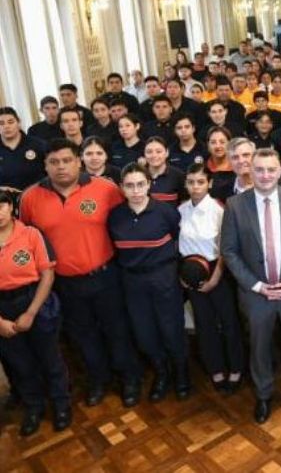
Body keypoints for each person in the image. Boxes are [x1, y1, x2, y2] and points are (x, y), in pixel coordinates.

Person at [19, 139, 143, 408]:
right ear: (45, 165)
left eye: (66, 160)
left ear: (79, 161)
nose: (61, 167)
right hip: (64, 283)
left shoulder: (105, 189)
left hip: (106, 275)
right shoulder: (30, 199)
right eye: (54, 162)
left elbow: (128, 221)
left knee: (117, 329)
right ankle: (98, 379)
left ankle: (129, 377)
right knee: (82, 334)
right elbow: (27, 241)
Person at [221, 148, 281, 423]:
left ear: (280, 171)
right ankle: (264, 394)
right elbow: (229, 251)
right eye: (259, 169)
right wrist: (255, 285)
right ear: (250, 172)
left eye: (271, 169)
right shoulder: (234, 205)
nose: (265, 175)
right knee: (259, 346)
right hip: (256, 295)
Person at [108, 163, 190, 402]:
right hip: (132, 281)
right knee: (145, 332)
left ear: (149, 184)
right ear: (122, 188)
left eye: (140, 184)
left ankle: (182, 374)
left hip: (163, 277)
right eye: (130, 186)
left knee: (171, 328)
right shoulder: (115, 216)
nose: (136, 190)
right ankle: (162, 373)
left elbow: (177, 238)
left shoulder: (165, 212)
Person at [0, 190, 71, 436]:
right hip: (3, 309)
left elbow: (47, 274)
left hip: (35, 300)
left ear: (11, 208)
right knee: (21, 364)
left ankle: (61, 405)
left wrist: (31, 312)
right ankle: (34, 407)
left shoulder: (30, 234)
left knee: (50, 359)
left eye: (2, 206)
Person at [178, 164, 244, 395]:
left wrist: (215, 278)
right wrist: (183, 277)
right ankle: (215, 367)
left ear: (210, 183)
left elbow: (226, 248)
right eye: (191, 182)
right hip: (191, 274)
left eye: (200, 182)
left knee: (228, 322)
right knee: (204, 324)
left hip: (218, 272)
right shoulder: (181, 210)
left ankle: (235, 366)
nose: (195, 187)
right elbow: (179, 247)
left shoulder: (219, 210)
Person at [0, 107, 46, 196]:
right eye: (1, 123)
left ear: (18, 122)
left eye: (10, 122)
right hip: (5, 203)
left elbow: (52, 172)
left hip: (38, 197)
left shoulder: (38, 144)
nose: (6, 126)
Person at [143, 137, 185, 205]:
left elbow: (185, 202)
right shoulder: (138, 175)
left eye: (158, 151)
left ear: (167, 152)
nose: (154, 155)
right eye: (149, 152)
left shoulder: (178, 176)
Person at [205, 127, 235, 202]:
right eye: (213, 142)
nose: (218, 146)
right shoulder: (202, 169)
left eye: (222, 142)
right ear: (208, 145)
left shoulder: (237, 168)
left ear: (229, 144)